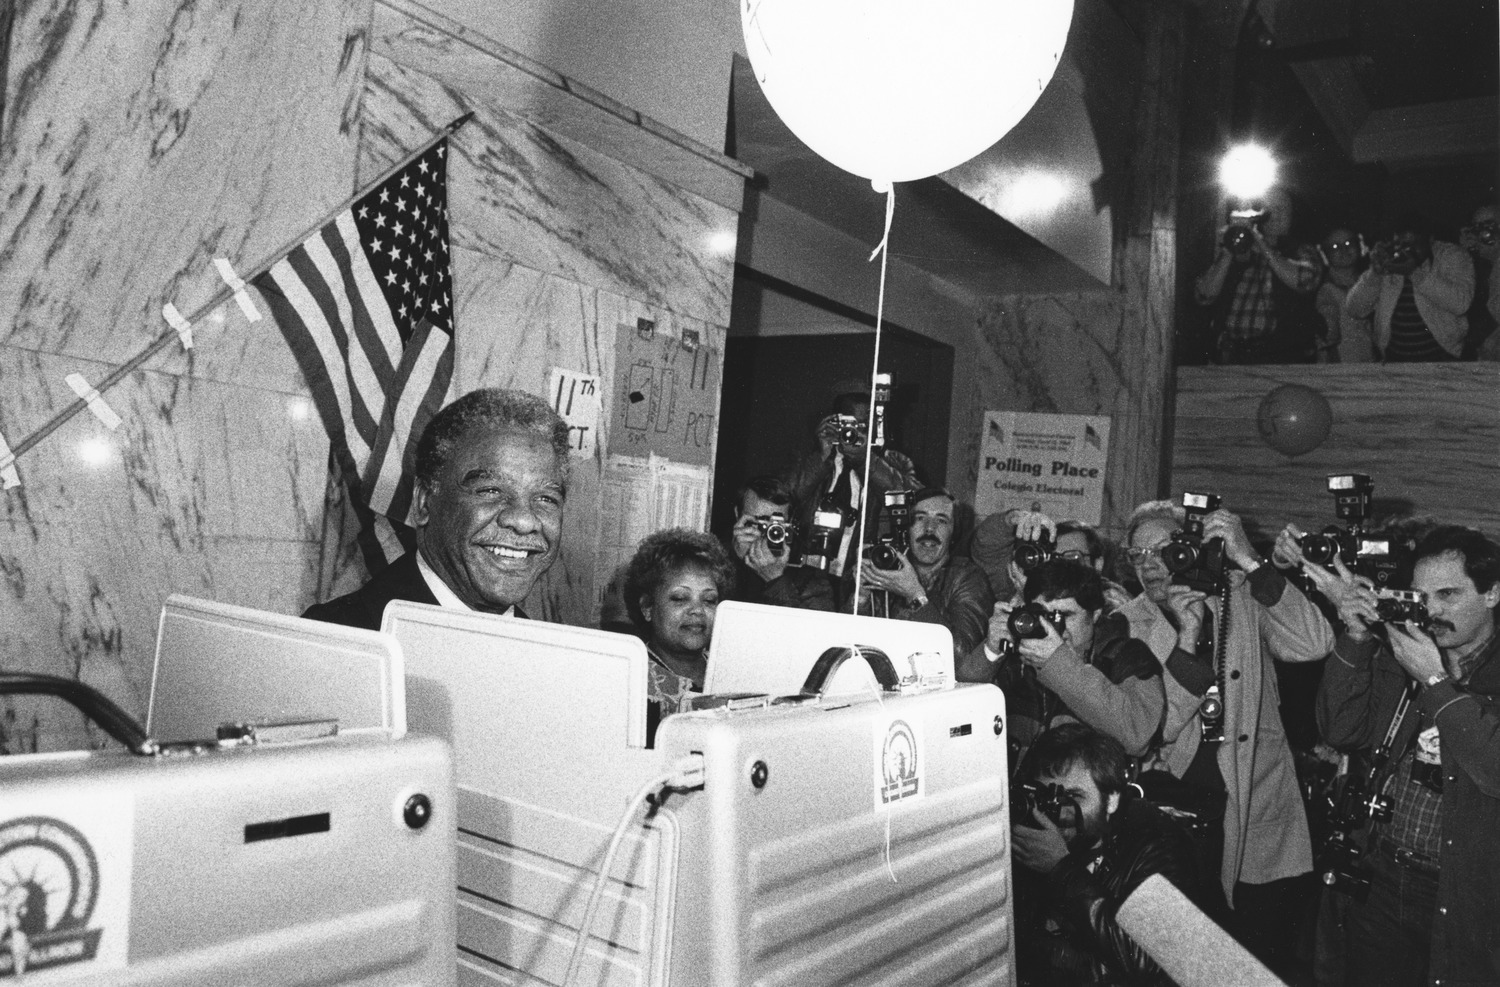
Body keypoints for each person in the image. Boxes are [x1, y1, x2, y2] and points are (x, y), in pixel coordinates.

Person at [1116, 499, 1333, 973]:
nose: (1150, 564)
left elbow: (1313, 641)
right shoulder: (1128, 623)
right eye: (1137, 555)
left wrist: (1250, 559)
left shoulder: (1243, 593)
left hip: (1258, 814)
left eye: (1163, 549)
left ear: (1193, 547)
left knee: (1256, 961)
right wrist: (1186, 635)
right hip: (1177, 817)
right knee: (1185, 964)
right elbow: (1154, 726)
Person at [1307, 525, 1500, 986]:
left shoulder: (1430, 665)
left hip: (1463, 890)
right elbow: (1341, 729)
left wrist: (1436, 683)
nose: (1430, 610)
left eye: (1448, 594)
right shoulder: (1409, 651)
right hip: (1383, 871)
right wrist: (1354, 633)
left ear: (1492, 593)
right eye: (1420, 594)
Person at [303, 388, 569, 630]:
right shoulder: (335, 636)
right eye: (491, 491)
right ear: (424, 502)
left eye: (545, 498)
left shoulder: (549, 658)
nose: (523, 520)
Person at [1010, 723, 1201, 987]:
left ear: (1110, 799)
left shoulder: (1158, 845)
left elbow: (1152, 962)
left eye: (1074, 796)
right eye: (1048, 797)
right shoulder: (1033, 839)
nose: (1059, 811)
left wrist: (1060, 870)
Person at [956, 558, 1165, 765]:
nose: (1054, 627)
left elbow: (1137, 734)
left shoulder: (1127, 655)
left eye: (1064, 615)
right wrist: (991, 651)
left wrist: (1057, 662)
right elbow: (959, 707)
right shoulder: (1020, 653)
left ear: (1095, 615)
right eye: (1042, 614)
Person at [784, 382, 920, 582]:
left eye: (863, 424)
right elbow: (784, 498)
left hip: (860, 578)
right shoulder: (812, 460)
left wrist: (866, 462)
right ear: (834, 422)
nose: (854, 431)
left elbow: (910, 502)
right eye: (849, 423)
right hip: (807, 576)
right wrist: (821, 457)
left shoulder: (893, 463)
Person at [623, 528, 737, 746]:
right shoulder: (632, 680)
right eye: (680, 598)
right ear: (647, 607)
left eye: (709, 600)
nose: (697, 610)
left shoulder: (729, 668)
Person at [856, 487, 993, 656]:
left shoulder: (968, 578)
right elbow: (849, 645)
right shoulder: (887, 569)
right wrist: (861, 598)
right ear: (907, 528)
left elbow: (962, 655)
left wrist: (915, 596)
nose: (929, 528)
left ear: (953, 532)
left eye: (941, 521)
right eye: (920, 518)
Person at [1193, 189, 1321, 364]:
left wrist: (1260, 241)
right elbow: (1204, 296)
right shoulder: (1237, 255)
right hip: (1232, 358)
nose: (1275, 214)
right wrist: (1233, 242)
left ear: (1292, 216)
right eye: (1269, 209)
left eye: (1282, 209)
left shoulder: (1301, 251)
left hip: (1282, 359)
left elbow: (1305, 281)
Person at [1345, 213, 1474, 362]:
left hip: (1443, 359)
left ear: (1430, 240)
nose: (1408, 251)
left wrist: (1414, 273)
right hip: (1396, 361)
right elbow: (1354, 310)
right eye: (1403, 245)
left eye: (1414, 245)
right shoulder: (1390, 258)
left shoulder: (1452, 256)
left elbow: (1461, 304)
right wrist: (1375, 273)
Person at [969, 507, 1131, 609]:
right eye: (1056, 559)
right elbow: (986, 550)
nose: (1064, 568)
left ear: (1097, 564)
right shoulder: (1025, 589)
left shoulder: (1114, 606)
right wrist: (1013, 519)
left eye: (1073, 558)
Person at [726, 475, 835, 611]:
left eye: (776, 526)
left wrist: (776, 580)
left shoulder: (810, 579)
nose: (768, 533)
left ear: (789, 526)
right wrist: (735, 563)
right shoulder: (718, 561)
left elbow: (809, 630)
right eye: (758, 523)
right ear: (738, 514)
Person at [1315, 227, 1375, 363]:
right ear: (1325, 254)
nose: (1343, 250)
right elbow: (1327, 338)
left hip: (1371, 367)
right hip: (1344, 371)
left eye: (1349, 243)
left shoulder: (1369, 283)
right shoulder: (1327, 292)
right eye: (1335, 247)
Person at [1459, 203, 1500, 358]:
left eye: (1490, 225)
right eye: (1477, 228)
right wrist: (1467, 254)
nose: (1484, 233)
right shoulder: (1492, 264)